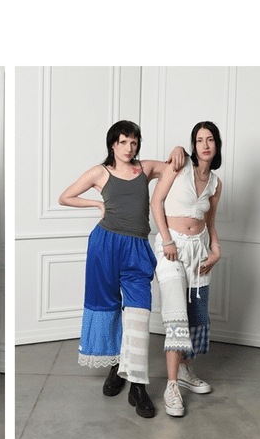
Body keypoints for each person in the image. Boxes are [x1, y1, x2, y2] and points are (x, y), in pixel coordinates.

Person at [59, 121, 184, 418]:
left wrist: (179, 149)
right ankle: (117, 366)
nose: (130, 148)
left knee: (139, 313)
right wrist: (97, 204)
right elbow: (65, 197)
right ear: (112, 144)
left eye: (134, 142)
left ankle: (137, 387)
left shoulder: (144, 168)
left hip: (137, 247)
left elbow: (171, 166)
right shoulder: (100, 172)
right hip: (105, 245)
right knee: (109, 307)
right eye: (124, 142)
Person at [148, 121, 223, 417]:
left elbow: (211, 221)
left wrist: (216, 250)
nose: (205, 145)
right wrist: (166, 240)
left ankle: (184, 371)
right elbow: (156, 202)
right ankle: (171, 386)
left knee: (194, 313)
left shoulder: (216, 182)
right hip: (172, 247)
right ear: (192, 146)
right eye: (199, 140)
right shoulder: (178, 167)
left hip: (199, 249)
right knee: (177, 312)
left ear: (217, 145)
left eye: (210, 140)